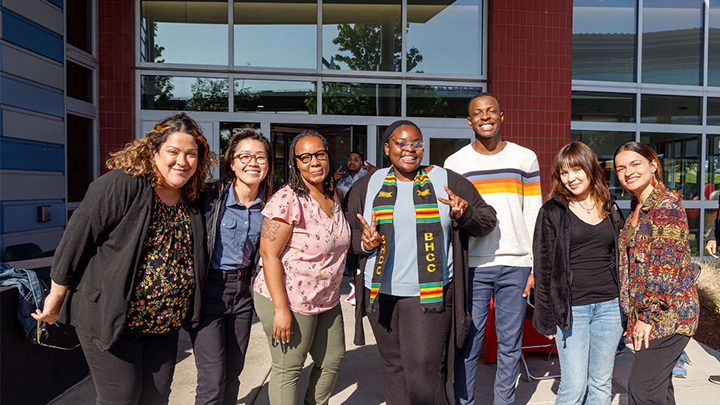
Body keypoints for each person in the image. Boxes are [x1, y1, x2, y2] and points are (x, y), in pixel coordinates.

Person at [31, 113, 215, 405]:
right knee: (121, 398)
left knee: (156, 398)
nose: (182, 161)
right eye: (173, 152)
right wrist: (56, 295)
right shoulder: (122, 185)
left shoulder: (190, 198)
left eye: (191, 154)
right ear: (154, 151)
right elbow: (77, 238)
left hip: (163, 326)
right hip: (113, 319)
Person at [344, 120, 498, 405]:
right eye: (401, 143)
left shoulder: (446, 180)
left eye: (416, 143)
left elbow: (487, 220)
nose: (410, 150)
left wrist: (463, 216)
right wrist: (364, 244)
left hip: (427, 296)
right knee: (394, 368)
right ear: (387, 147)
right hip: (381, 293)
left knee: (425, 371)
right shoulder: (369, 184)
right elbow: (351, 233)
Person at [444, 92, 542, 405]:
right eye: (478, 113)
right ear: (469, 121)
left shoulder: (524, 158)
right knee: (468, 343)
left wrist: (534, 267)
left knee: (510, 345)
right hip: (473, 265)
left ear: (502, 116)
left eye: (491, 111)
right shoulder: (455, 163)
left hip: (516, 265)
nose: (485, 117)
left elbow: (533, 214)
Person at [253, 130, 350, 405]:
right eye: (305, 157)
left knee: (332, 359)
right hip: (289, 298)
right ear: (295, 163)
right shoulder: (287, 199)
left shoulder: (335, 196)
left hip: (326, 297)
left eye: (320, 154)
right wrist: (281, 311)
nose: (314, 162)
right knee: (288, 368)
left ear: (328, 157)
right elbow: (268, 255)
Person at [532, 141, 625, 405]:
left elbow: (620, 258)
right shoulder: (552, 211)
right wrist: (546, 316)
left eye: (576, 170)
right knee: (573, 388)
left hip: (610, 306)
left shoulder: (610, 207)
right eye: (564, 172)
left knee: (600, 383)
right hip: (573, 311)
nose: (570, 178)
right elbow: (543, 267)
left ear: (590, 168)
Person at [191, 128, 273, 405]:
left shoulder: (272, 203)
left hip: (244, 292)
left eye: (260, 157)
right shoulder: (211, 197)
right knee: (212, 380)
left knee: (233, 373)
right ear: (232, 163)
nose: (253, 163)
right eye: (245, 156)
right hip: (210, 290)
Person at [614, 141, 699, 405]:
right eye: (620, 168)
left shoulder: (666, 206)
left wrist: (647, 317)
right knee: (659, 390)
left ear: (653, 165)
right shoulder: (636, 208)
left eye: (635, 164)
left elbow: (665, 268)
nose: (628, 172)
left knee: (642, 390)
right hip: (649, 316)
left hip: (669, 316)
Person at [335, 151, 377, 305]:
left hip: (366, 222)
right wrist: (331, 181)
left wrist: (378, 172)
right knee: (352, 256)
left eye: (356, 159)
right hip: (348, 223)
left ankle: (364, 288)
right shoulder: (343, 181)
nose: (352, 162)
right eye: (349, 159)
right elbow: (335, 197)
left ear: (362, 163)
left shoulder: (370, 177)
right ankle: (355, 287)